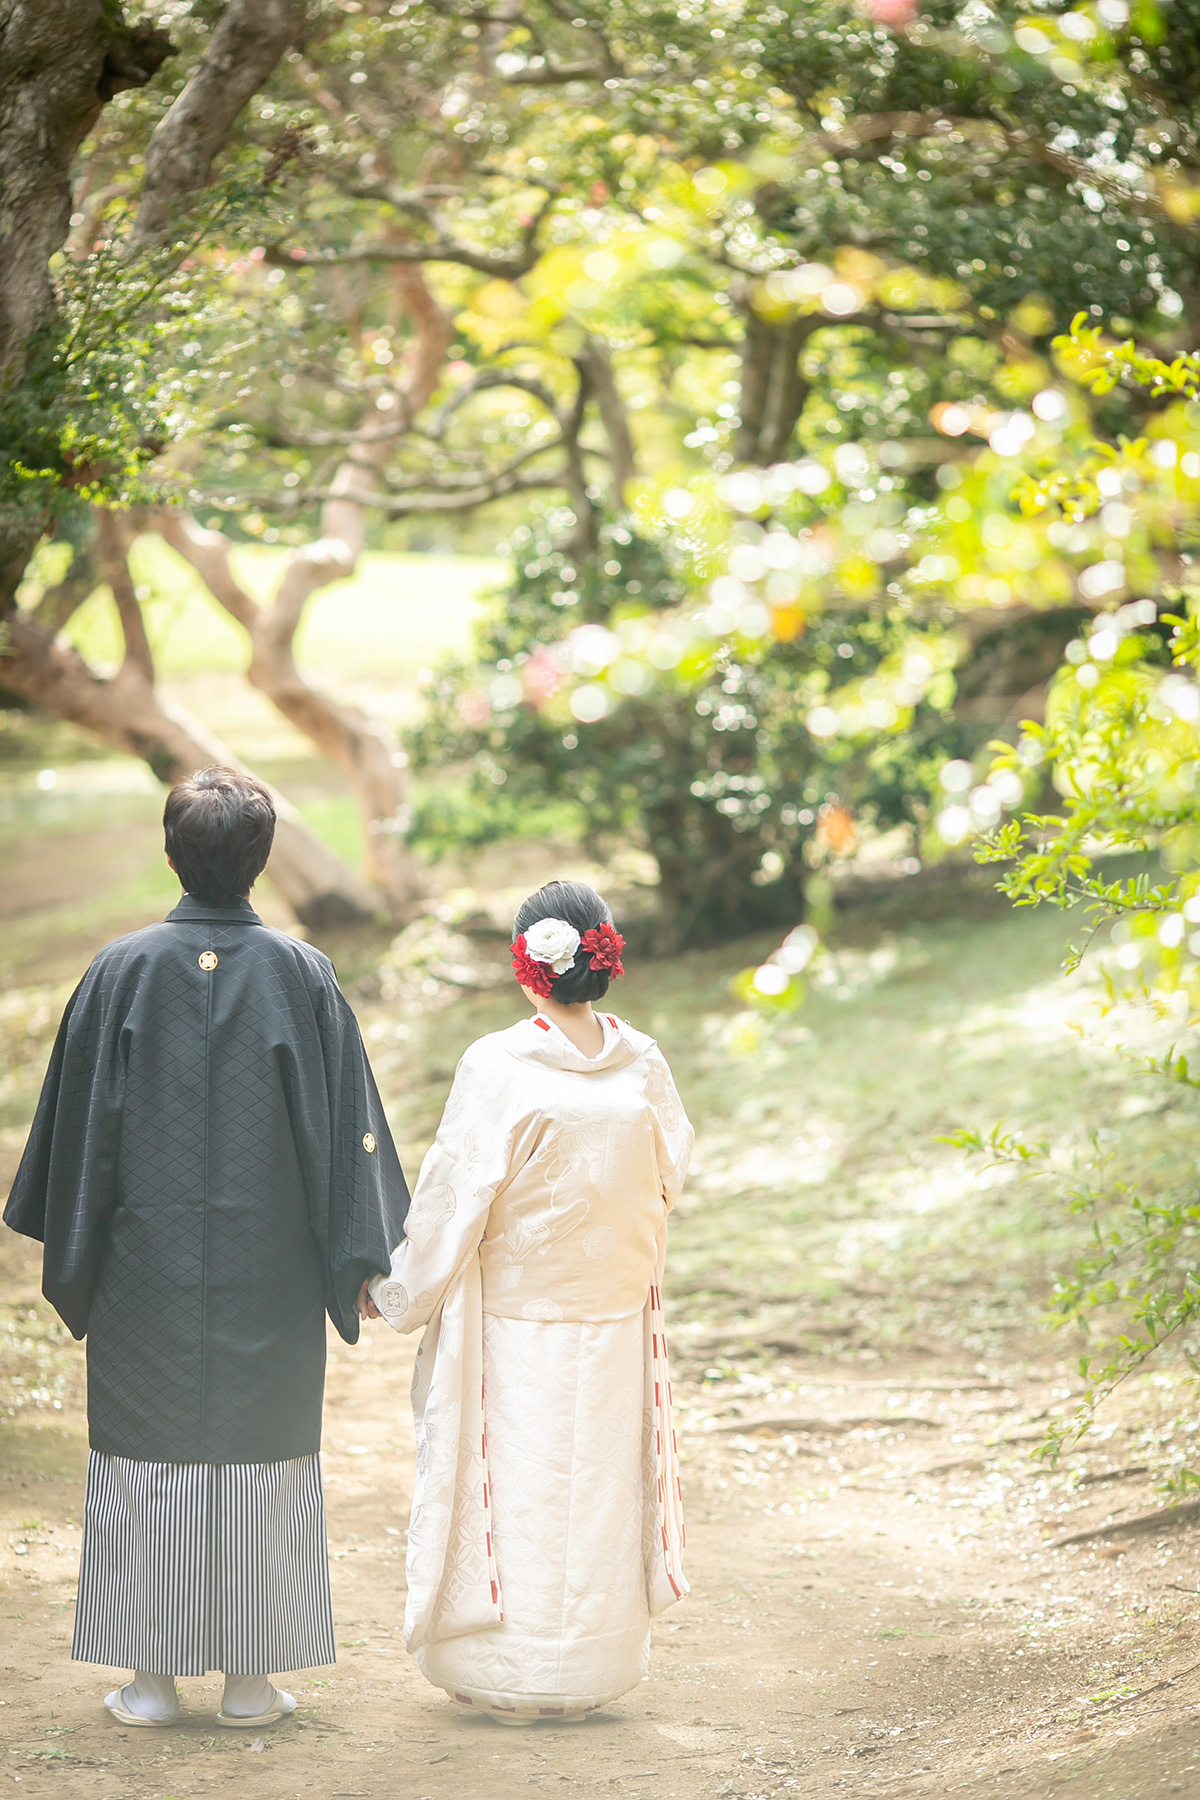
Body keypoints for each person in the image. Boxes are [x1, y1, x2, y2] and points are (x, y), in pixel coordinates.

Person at [4, 769, 409, 1729]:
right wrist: (354, 1256)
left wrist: (79, 1249)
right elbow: (343, 1132)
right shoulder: (301, 974)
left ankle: (147, 1681)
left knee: (146, 1456)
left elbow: (76, 1135)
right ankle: (250, 1683)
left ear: (171, 852)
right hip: (265, 1272)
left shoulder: (119, 970)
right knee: (262, 1457)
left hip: (142, 1272)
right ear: (261, 861)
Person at [365, 878, 693, 1725]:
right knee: (594, 1491)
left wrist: (396, 1291)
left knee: (522, 1489)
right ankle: (589, 1667)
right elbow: (669, 1176)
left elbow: (452, 1196)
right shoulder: (643, 1062)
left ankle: (510, 1671)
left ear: (527, 969)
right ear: (603, 959)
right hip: (614, 1315)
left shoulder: (502, 1065)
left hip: (516, 1323)